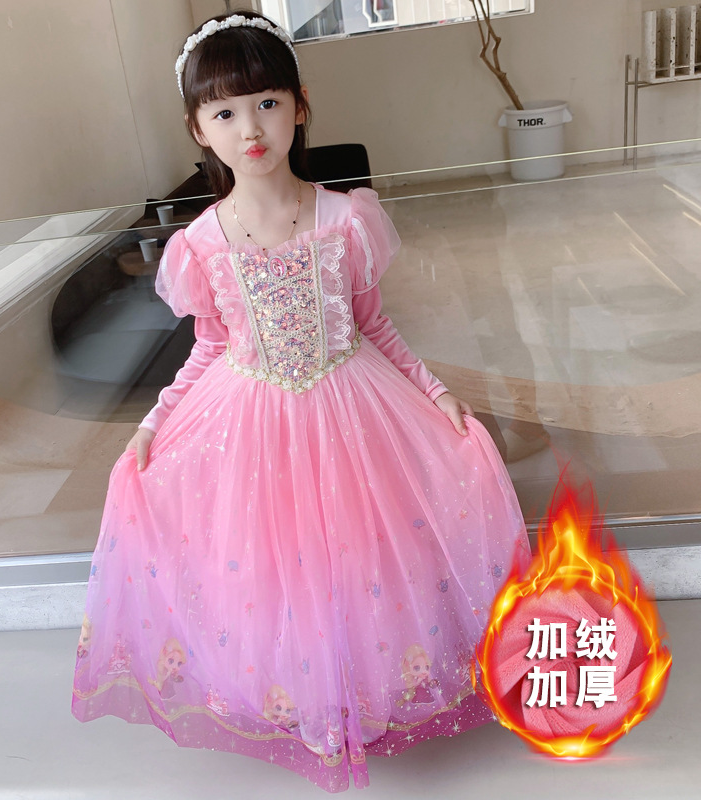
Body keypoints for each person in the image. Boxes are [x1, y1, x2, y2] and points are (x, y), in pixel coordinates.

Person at [72, 11, 529, 793]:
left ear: (300, 105)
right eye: (224, 113)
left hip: (355, 411)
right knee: (272, 571)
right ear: (199, 130)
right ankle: (305, 705)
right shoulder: (199, 245)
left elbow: (375, 324)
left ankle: (363, 700)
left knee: (363, 561)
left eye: (266, 103)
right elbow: (210, 347)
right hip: (251, 425)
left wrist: (434, 392)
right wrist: (154, 421)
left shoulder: (348, 218)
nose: (250, 128)